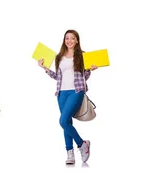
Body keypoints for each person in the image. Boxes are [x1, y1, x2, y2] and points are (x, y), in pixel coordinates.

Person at [38, 29, 97, 164]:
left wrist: (90, 69)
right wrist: (45, 68)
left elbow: (85, 76)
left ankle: (82, 144)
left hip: (76, 91)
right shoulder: (59, 56)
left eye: (72, 38)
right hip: (61, 92)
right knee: (67, 122)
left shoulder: (82, 55)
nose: (69, 41)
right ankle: (70, 153)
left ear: (77, 40)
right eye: (67, 38)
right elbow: (57, 77)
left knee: (63, 121)